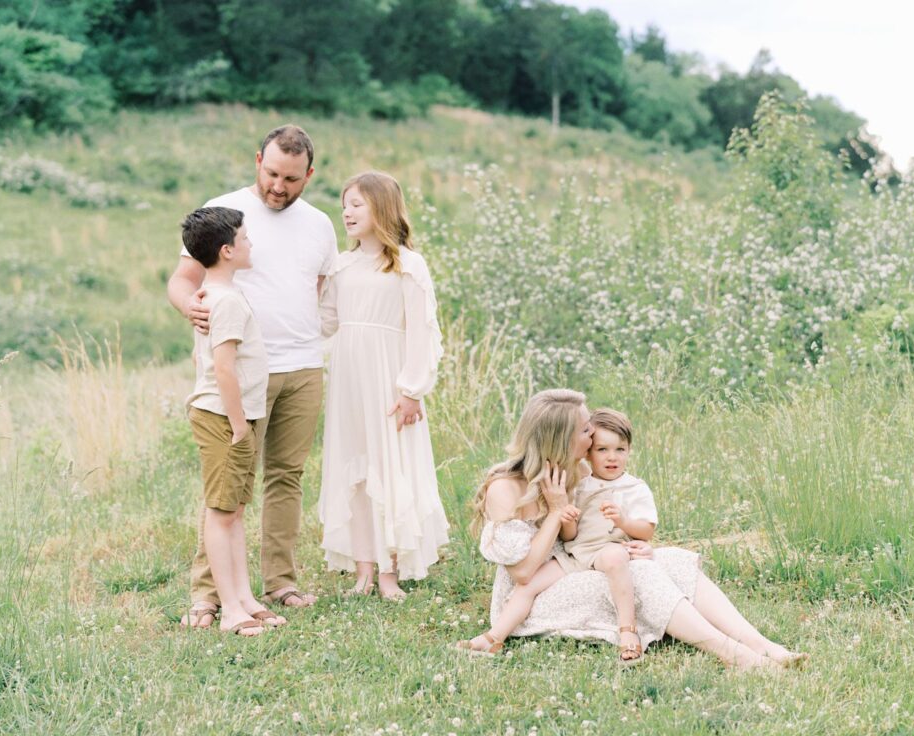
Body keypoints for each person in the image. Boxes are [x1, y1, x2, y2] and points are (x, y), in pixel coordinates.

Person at [456, 389, 808, 670]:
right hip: (533, 596)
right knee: (640, 575)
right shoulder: (507, 488)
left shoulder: (579, 471)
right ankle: (733, 654)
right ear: (560, 438)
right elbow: (522, 573)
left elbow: (599, 532)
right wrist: (556, 511)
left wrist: (641, 546)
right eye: (584, 429)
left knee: (667, 560)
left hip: (583, 563)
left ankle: (764, 646)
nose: (592, 432)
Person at [168, 125, 336, 626]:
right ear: (258, 159)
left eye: (291, 178)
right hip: (239, 375)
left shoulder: (320, 225)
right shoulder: (225, 213)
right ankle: (208, 593)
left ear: (308, 174)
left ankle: (279, 582)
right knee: (227, 486)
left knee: (287, 476)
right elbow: (182, 281)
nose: (278, 187)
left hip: (302, 365)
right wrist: (190, 310)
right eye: (271, 173)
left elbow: (319, 289)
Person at [318, 171, 450, 600]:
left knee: (390, 466)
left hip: (388, 379)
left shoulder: (408, 265)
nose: (347, 212)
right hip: (348, 380)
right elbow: (327, 323)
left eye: (357, 204)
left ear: (382, 207)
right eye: (344, 204)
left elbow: (421, 332)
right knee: (353, 466)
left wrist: (412, 388)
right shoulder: (341, 264)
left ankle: (391, 571)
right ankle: (363, 570)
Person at [179, 206, 282, 636]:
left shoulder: (220, 297)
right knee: (221, 514)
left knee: (236, 511)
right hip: (224, 418)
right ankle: (230, 612)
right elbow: (223, 368)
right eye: (245, 238)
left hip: (238, 418)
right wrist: (240, 425)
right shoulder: (223, 301)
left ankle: (244, 598)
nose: (251, 244)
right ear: (227, 251)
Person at [560, 407, 657, 665]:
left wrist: (623, 521)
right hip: (579, 552)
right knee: (531, 584)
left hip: (610, 551)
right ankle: (496, 634)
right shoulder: (581, 485)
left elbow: (647, 530)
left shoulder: (634, 487)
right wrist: (567, 521)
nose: (612, 457)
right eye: (602, 449)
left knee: (615, 557)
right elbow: (571, 534)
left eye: (620, 449)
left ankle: (628, 630)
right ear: (588, 454)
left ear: (629, 451)